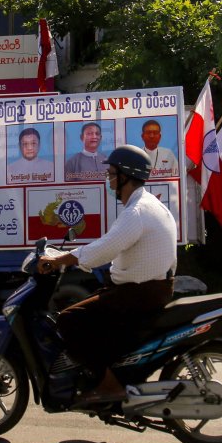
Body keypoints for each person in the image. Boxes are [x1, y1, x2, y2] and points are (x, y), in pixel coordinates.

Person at [38, 145, 177, 405]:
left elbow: (105, 248)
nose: (109, 180)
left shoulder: (136, 212)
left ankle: (109, 385)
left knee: (69, 319)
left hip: (140, 292)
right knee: (95, 313)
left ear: (125, 176)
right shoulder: (148, 205)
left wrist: (60, 260)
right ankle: (113, 372)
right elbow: (109, 246)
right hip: (149, 288)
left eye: (112, 174)